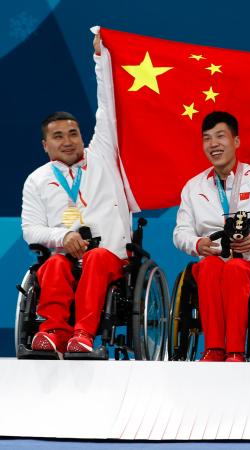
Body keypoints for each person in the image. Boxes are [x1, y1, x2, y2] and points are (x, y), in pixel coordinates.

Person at [21, 34, 133, 357]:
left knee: (96, 258)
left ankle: (82, 334)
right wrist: (62, 236)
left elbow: (107, 107)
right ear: (45, 145)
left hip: (109, 255)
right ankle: (53, 331)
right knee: (54, 265)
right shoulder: (36, 180)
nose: (68, 141)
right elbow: (30, 229)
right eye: (57, 136)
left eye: (73, 133)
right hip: (67, 258)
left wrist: (101, 60)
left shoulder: (101, 157)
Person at [173, 111, 250, 362]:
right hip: (214, 260)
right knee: (210, 267)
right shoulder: (193, 187)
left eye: (220, 136)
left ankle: (235, 352)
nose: (213, 144)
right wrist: (197, 244)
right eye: (207, 138)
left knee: (236, 268)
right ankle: (214, 349)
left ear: (236, 141)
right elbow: (180, 232)